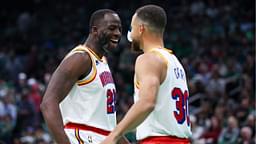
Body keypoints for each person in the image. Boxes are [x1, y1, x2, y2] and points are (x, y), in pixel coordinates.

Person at [101, 5, 192, 144]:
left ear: (141, 28)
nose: (130, 33)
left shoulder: (148, 59)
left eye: (132, 27)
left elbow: (147, 102)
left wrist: (114, 135)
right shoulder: (175, 62)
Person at [40, 9, 126, 144]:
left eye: (120, 29)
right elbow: (48, 103)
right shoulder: (80, 58)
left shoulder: (103, 61)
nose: (117, 33)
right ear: (94, 30)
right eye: (112, 28)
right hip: (83, 137)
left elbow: (107, 125)